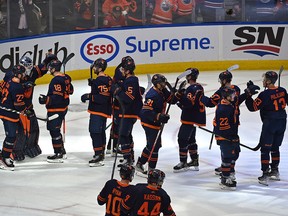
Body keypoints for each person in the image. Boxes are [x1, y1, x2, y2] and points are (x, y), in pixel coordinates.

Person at [12, 53, 58, 161]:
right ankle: (16, 150)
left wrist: (48, 59)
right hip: (17, 108)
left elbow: (42, 68)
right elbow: (10, 89)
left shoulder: (32, 72)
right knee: (21, 131)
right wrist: (23, 86)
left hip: (28, 107)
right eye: (26, 68)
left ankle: (30, 147)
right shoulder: (13, 75)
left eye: (29, 67)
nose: (28, 70)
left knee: (34, 128)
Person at [245, 71, 287, 186]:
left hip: (270, 123)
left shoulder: (264, 95)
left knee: (265, 148)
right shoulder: (283, 90)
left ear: (268, 81)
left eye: (265, 79)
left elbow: (252, 107)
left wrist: (248, 95)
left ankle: (265, 173)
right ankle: (275, 170)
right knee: (275, 147)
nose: (263, 81)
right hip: (282, 121)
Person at [200, 69, 246, 176]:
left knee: (225, 145)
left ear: (224, 80)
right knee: (231, 145)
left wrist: (201, 97)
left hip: (222, 123)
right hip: (234, 120)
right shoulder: (236, 89)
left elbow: (210, 103)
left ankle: (226, 166)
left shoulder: (222, 92)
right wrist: (247, 93)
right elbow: (238, 101)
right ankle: (228, 166)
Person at [136, 74, 174, 175]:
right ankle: (150, 170)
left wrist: (176, 93)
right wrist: (159, 116)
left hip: (154, 122)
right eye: (162, 83)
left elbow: (172, 100)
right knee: (155, 146)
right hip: (148, 122)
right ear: (156, 84)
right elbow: (145, 112)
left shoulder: (162, 90)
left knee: (151, 145)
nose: (164, 85)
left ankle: (140, 164)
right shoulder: (152, 95)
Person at [38, 59, 74, 163]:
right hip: (63, 108)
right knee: (55, 130)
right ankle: (61, 150)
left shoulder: (56, 80)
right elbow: (71, 91)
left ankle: (58, 153)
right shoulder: (66, 77)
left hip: (56, 109)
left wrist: (46, 100)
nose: (49, 69)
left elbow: (57, 97)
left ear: (53, 68)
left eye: (50, 67)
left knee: (54, 130)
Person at [111, 56, 143, 166]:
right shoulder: (129, 80)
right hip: (128, 112)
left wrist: (117, 91)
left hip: (130, 112)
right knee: (126, 134)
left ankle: (127, 159)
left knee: (123, 134)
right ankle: (129, 157)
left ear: (128, 70)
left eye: (124, 69)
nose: (122, 71)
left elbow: (129, 98)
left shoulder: (131, 80)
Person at [81, 58, 112, 167]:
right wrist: (94, 84)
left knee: (94, 131)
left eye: (95, 66)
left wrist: (90, 96)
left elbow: (103, 97)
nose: (93, 68)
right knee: (100, 131)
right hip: (103, 110)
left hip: (99, 110)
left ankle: (98, 155)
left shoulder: (100, 80)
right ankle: (101, 152)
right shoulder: (107, 78)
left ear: (99, 68)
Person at [173, 68, 205, 172]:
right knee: (191, 140)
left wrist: (180, 96)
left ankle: (183, 162)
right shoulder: (198, 87)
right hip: (195, 117)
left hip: (189, 118)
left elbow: (188, 103)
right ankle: (194, 160)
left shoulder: (192, 89)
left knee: (182, 139)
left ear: (189, 76)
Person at [0, 65, 26, 171]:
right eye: (22, 73)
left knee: (12, 135)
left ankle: (5, 155)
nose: (24, 75)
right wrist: (26, 110)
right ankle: (5, 157)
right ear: (18, 74)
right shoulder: (17, 87)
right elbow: (19, 105)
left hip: (4, 110)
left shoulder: (8, 80)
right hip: (9, 114)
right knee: (11, 136)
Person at [213, 87, 240, 190]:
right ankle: (225, 177)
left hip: (231, 135)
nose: (234, 97)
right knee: (227, 157)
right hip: (225, 136)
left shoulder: (229, 104)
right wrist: (231, 137)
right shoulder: (223, 108)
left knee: (235, 154)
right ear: (226, 97)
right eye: (232, 95)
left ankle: (231, 172)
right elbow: (223, 127)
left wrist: (247, 93)